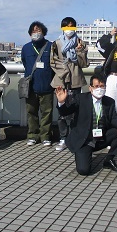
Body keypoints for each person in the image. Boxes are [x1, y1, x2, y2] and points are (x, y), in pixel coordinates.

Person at [55, 74, 117, 175]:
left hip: (100, 137)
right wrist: (62, 102)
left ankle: (109, 160)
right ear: (90, 88)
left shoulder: (109, 101)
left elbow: (113, 118)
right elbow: (65, 112)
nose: (99, 89)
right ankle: (83, 153)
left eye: (102, 86)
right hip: (84, 140)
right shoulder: (81, 98)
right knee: (83, 170)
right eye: (96, 86)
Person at [50, 17, 88, 151]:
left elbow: (84, 63)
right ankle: (63, 138)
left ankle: (74, 137)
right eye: (66, 27)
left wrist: (79, 51)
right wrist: (65, 70)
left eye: (72, 27)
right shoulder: (56, 43)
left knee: (75, 110)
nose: (69, 30)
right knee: (61, 110)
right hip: (61, 79)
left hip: (76, 79)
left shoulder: (80, 42)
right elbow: (53, 61)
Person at [21, 21, 55, 146]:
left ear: (44, 32)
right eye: (34, 31)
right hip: (31, 87)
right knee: (31, 112)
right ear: (30, 33)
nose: (36, 33)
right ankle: (32, 135)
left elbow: (55, 64)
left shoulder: (51, 46)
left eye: (38, 31)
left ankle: (45, 136)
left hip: (47, 85)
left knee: (47, 113)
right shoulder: (26, 48)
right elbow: (25, 63)